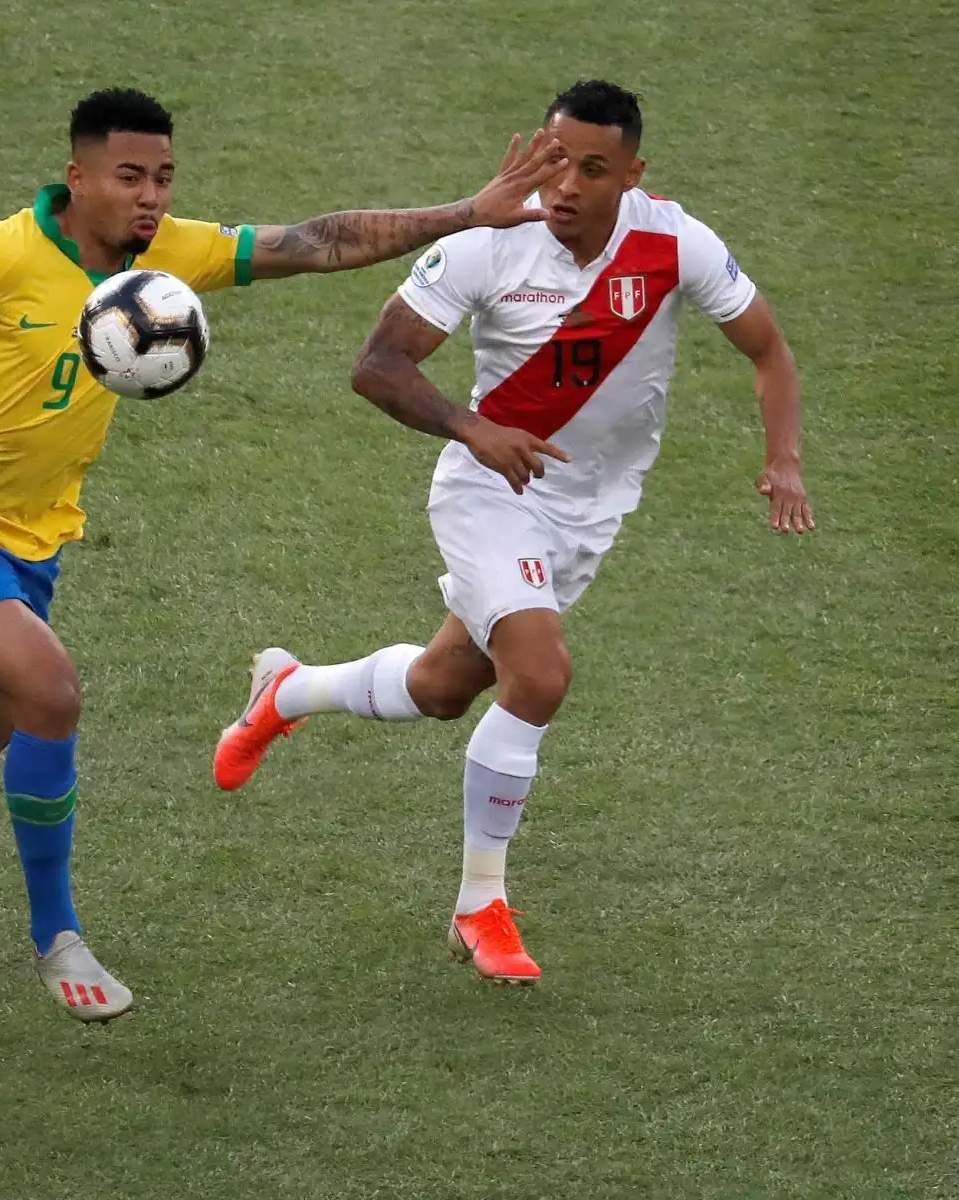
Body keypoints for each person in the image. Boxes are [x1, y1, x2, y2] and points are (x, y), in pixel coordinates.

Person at [0, 86, 565, 1022]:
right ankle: (58, 936)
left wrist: (466, 211)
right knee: (50, 692)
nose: (151, 197)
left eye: (164, 178)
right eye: (130, 177)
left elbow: (314, 241)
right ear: (76, 177)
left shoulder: (166, 260)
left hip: (32, 546)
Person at [214, 80, 813, 986]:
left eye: (593, 169)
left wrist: (785, 459)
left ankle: (288, 690)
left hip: (589, 510)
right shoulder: (490, 240)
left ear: (632, 175)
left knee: (444, 686)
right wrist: (473, 429)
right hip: (489, 489)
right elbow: (376, 366)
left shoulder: (674, 242)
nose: (565, 184)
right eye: (556, 159)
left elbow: (767, 347)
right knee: (539, 675)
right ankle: (478, 905)